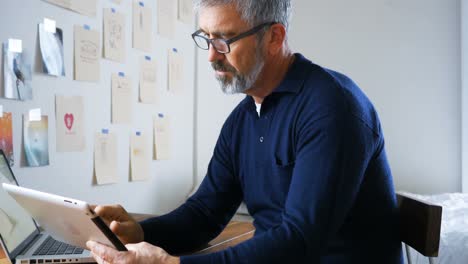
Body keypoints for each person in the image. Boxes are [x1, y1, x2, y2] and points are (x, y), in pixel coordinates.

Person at [86, 0, 403, 263]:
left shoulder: (332, 109)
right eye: (207, 38)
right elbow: (204, 214)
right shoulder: (243, 119)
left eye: (224, 40)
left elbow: (299, 242)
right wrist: (141, 232)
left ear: (274, 38)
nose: (212, 55)